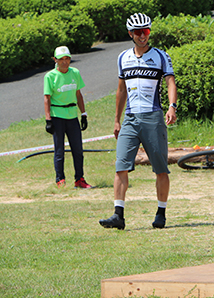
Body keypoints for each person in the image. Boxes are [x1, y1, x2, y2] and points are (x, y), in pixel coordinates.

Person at [99, 13, 178, 230]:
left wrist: (172, 106)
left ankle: (161, 212)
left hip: (153, 116)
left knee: (161, 168)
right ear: (130, 34)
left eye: (146, 31)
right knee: (121, 166)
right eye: (138, 32)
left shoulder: (161, 56)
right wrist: (116, 119)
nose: (143, 36)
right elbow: (121, 90)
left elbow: (171, 82)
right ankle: (118, 215)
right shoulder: (123, 58)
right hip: (131, 118)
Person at [44, 46, 93, 189]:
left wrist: (83, 114)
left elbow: (78, 94)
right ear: (55, 60)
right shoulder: (50, 76)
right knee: (59, 150)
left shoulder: (75, 73)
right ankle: (60, 179)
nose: (64, 62)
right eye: (61, 59)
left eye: (67, 59)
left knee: (78, 149)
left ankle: (80, 179)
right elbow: (47, 98)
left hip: (72, 116)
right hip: (57, 116)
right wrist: (48, 120)